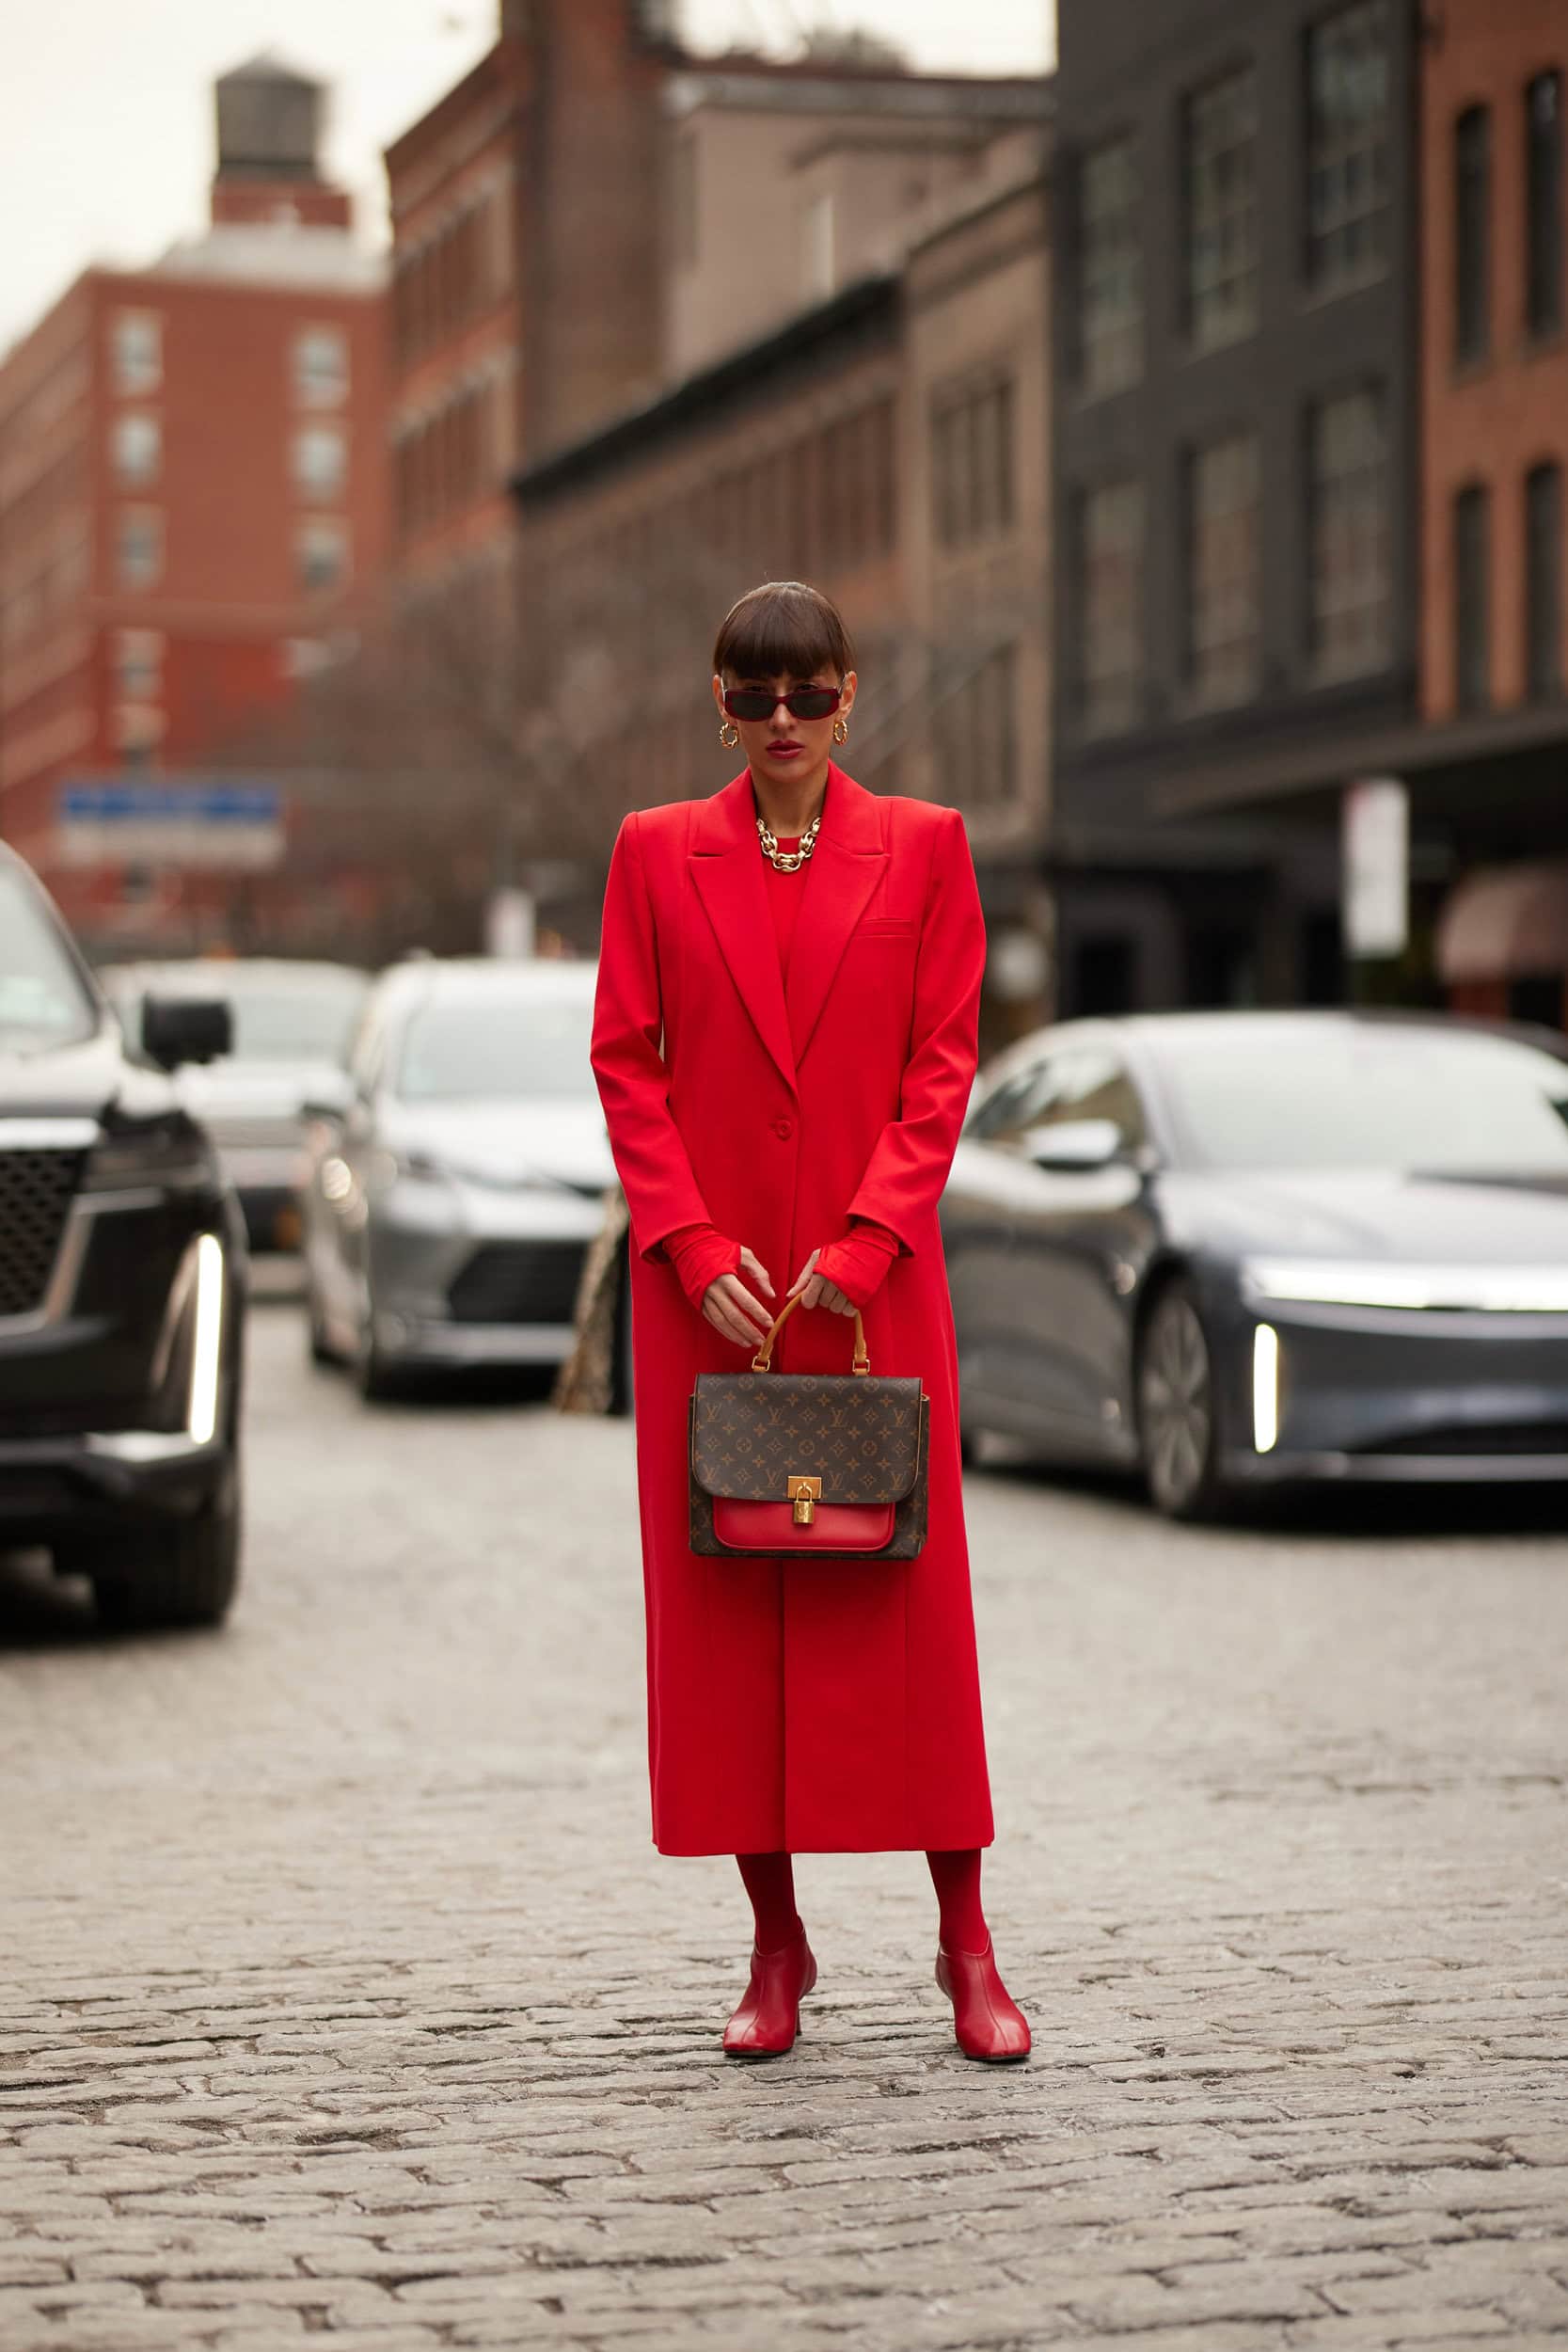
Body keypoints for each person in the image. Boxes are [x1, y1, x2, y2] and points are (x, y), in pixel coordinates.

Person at [590, 580, 1029, 2063]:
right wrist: (686, 1234)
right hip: (711, 1299)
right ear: (719, 701)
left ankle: (966, 1945)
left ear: (852, 695)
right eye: (753, 694)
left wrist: (869, 1234)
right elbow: (626, 1064)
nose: (784, 721)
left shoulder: (929, 849)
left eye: (811, 694)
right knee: (733, 1624)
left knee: (907, 1618)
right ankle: (776, 1949)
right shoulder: (656, 853)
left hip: (872, 1294)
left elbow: (944, 1063)